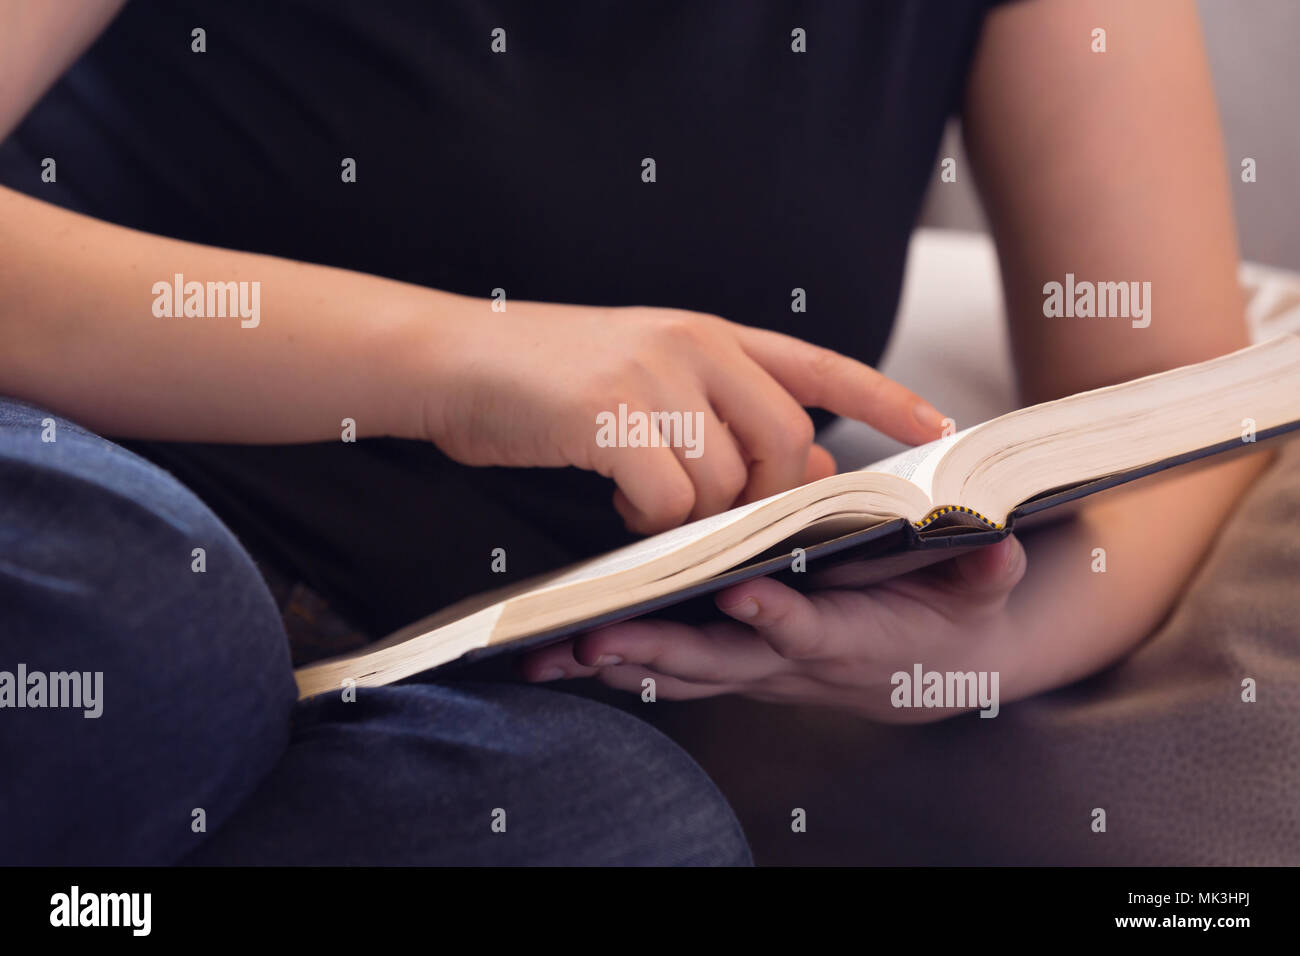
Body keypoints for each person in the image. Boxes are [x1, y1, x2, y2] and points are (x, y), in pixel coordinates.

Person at [0, 0, 1269, 864]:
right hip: (80, 507)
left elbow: (1173, 394)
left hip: (428, 674)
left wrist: (977, 648)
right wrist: (453, 356)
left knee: (617, 825)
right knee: (160, 635)